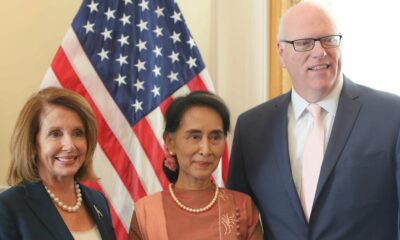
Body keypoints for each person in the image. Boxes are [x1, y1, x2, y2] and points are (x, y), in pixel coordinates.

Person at [227, 1, 400, 240]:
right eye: (304, 43)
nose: (320, 51)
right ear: (281, 53)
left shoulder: (392, 116)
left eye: (329, 39)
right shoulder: (252, 128)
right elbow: (237, 221)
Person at [129, 91, 263, 239]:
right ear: (170, 142)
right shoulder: (146, 212)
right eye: (195, 137)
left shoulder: (243, 206)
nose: (205, 149)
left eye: (215, 137)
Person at [0, 87, 116, 240]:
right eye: (55, 134)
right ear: (33, 144)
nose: (69, 145)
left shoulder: (98, 201)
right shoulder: (8, 207)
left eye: (77, 133)